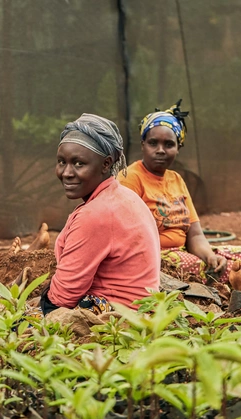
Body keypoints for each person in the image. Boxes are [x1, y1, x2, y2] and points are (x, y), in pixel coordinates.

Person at [118, 101, 241, 284]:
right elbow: (126, 238)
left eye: (168, 144)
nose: (160, 150)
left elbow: (196, 235)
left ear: (178, 148)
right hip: (155, 259)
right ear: (143, 145)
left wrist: (209, 256)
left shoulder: (176, 180)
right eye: (153, 143)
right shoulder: (130, 179)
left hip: (184, 252)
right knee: (222, 270)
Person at [41, 114, 160, 315]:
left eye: (79, 164)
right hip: (141, 311)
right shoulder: (124, 196)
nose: (66, 173)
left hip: (115, 317)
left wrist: (40, 307)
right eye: (62, 162)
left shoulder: (96, 214)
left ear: (106, 164)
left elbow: (64, 296)